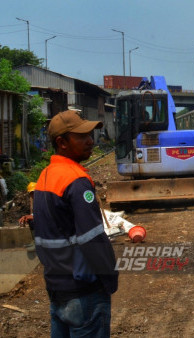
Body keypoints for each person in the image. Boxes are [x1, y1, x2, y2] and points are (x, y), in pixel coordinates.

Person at [33, 110, 118, 337]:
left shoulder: (45, 177)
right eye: (81, 136)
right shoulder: (76, 181)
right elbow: (92, 239)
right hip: (83, 293)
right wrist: (110, 278)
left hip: (57, 288)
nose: (90, 140)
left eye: (90, 134)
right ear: (61, 142)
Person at [18, 182, 36, 252]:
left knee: (33, 221)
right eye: (30, 193)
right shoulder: (36, 201)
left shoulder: (43, 200)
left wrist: (32, 217)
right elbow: (35, 213)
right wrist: (26, 216)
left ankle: (37, 244)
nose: (32, 195)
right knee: (30, 220)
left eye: (33, 193)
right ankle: (34, 240)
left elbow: (45, 215)